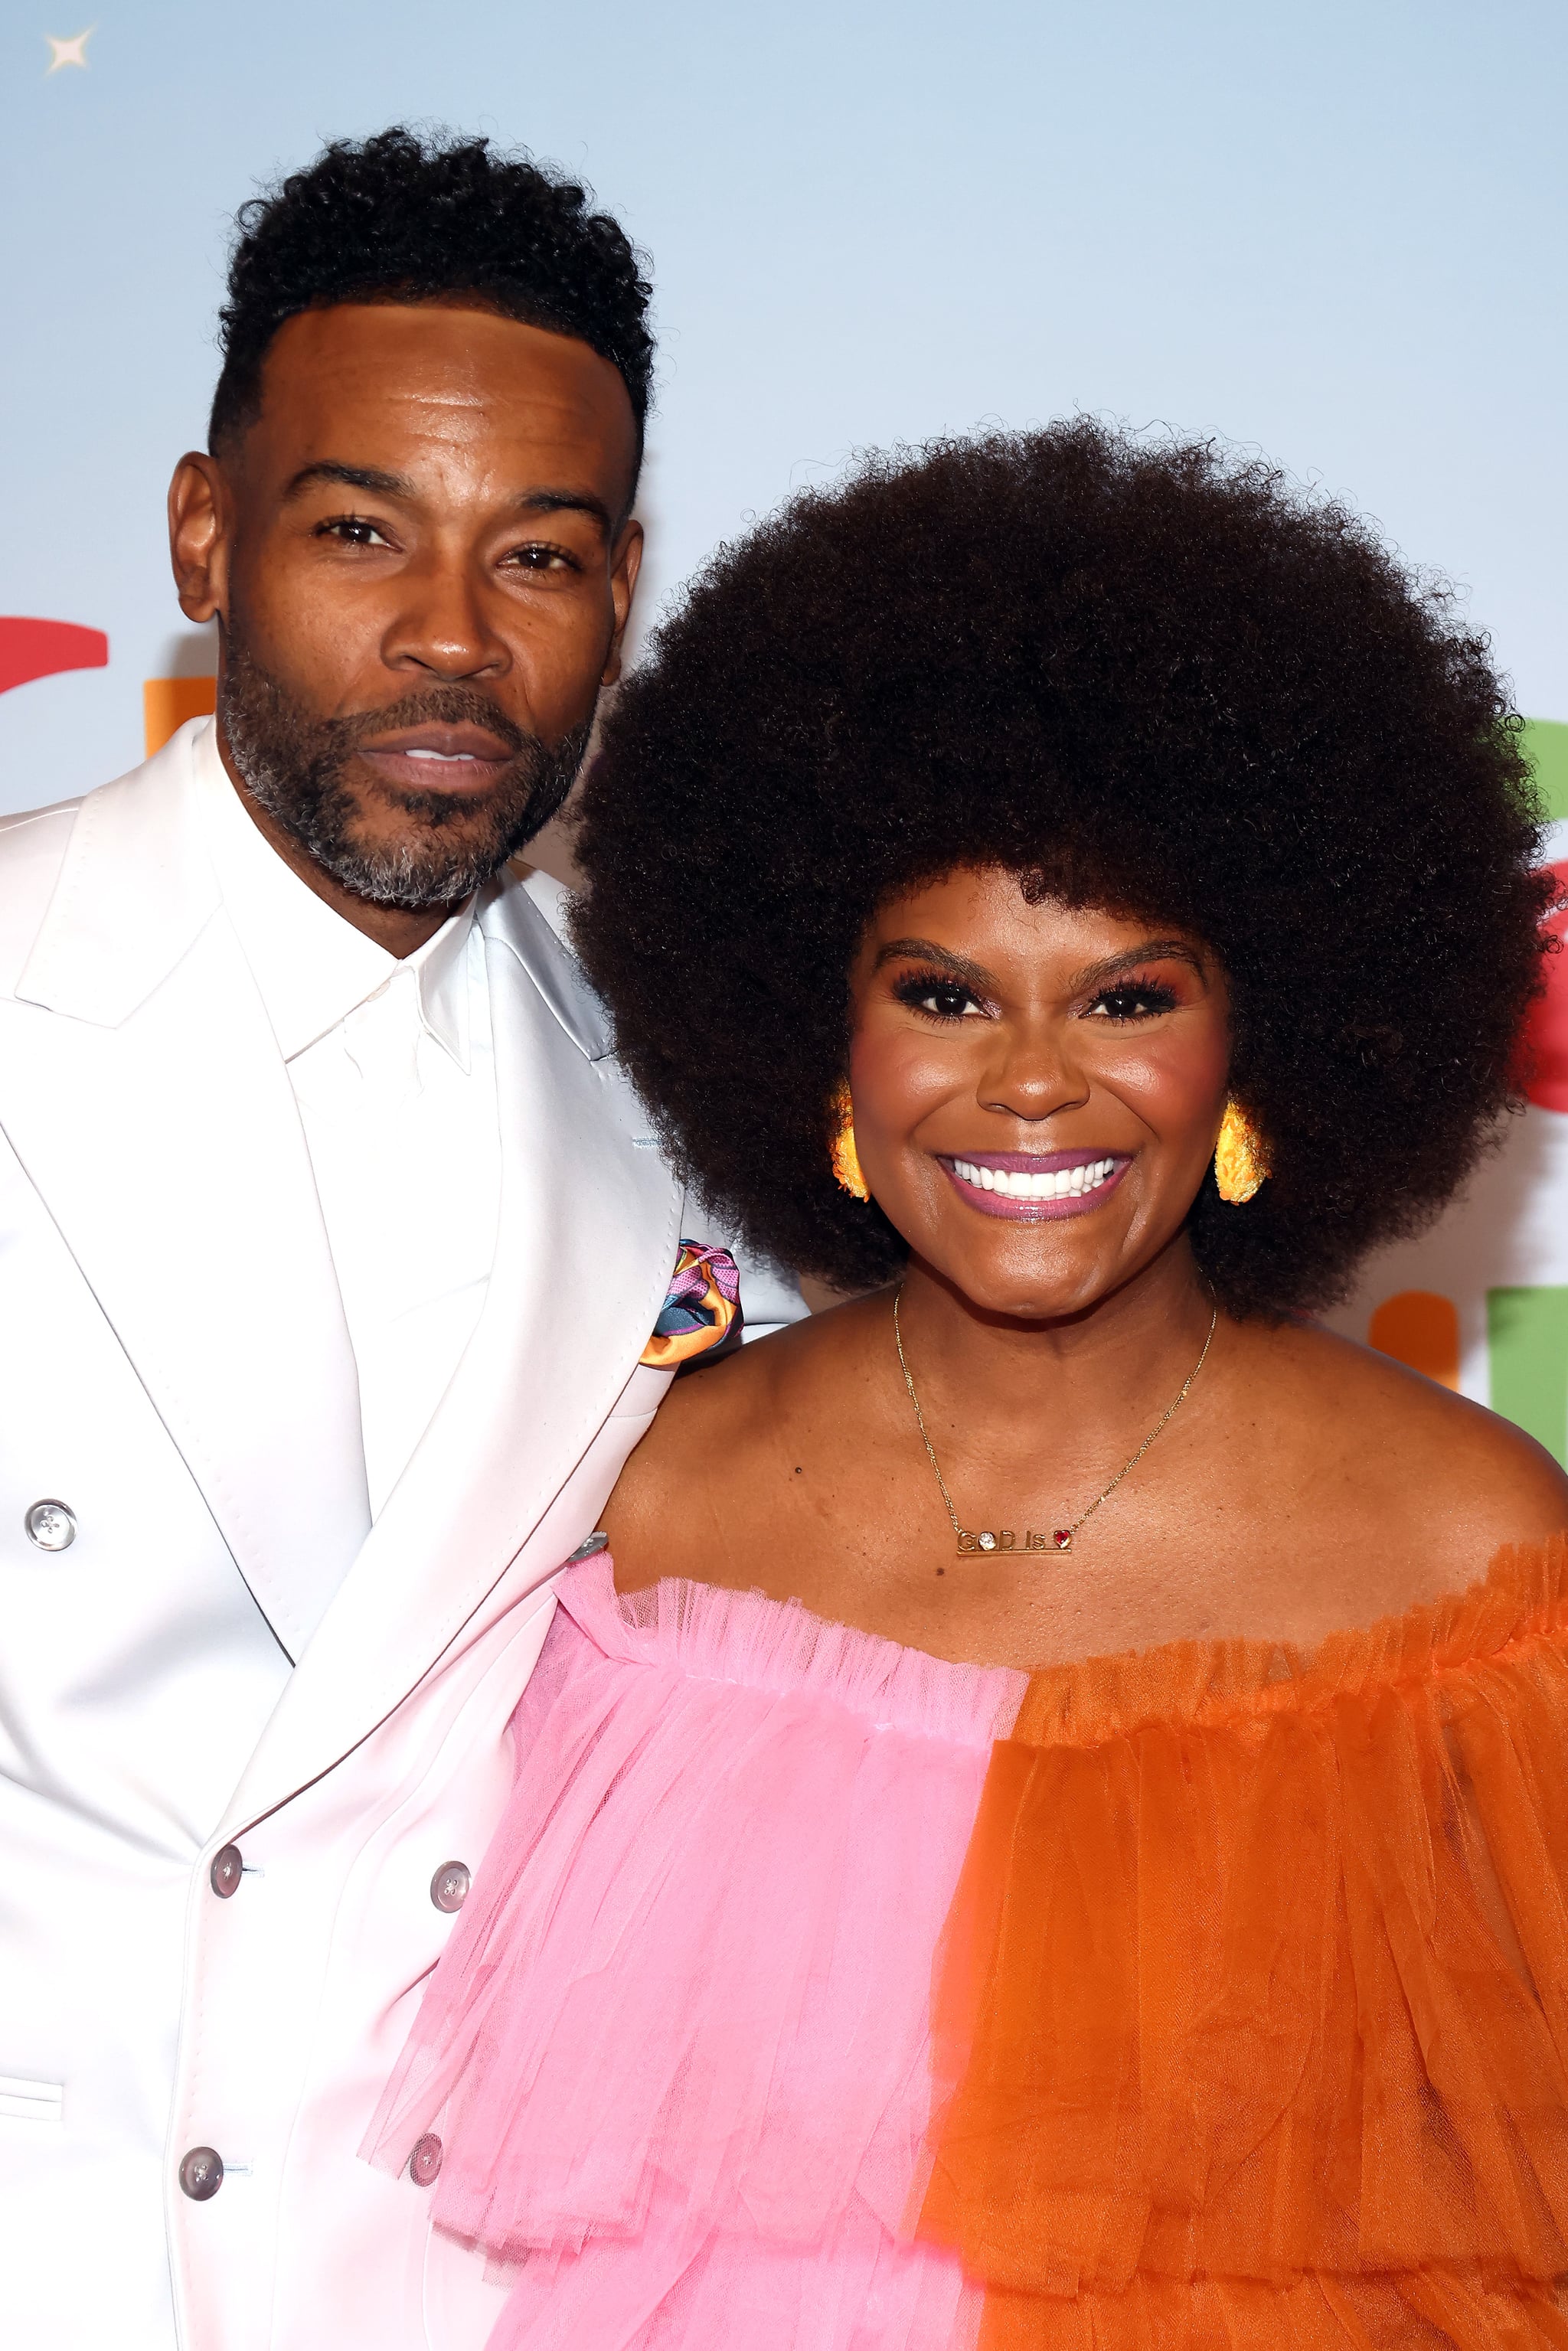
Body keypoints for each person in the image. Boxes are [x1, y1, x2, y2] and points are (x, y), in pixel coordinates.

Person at [368, 424, 1568, 2349]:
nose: (1026, 1083)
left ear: (1258, 1041)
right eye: (940, 994)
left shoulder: (1470, 1563)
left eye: (1125, 996)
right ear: (813, 1035)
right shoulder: (645, 1503)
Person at [0, 128, 799, 2351]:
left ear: (624, 585)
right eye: (363, 531)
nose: (452, 639)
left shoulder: (692, 1116)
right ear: (203, 533)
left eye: (535, 555)